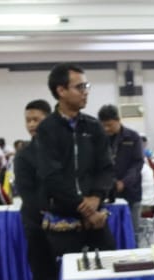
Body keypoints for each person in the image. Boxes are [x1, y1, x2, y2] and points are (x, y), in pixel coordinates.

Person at [34, 62, 116, 255]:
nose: (85, 92)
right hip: (64, 221)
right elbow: (52, 175)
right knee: (68, 277)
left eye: (86, 86)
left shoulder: (93, 127)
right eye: (80, 87)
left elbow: (106, 168)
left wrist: (96, 198)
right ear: (61, 90)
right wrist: (85, 209)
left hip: (96, 219)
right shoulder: (47, 129)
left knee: (107, 272)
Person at [12, 99, 57, 280]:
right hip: (36, 222)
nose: (31, 124)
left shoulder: (61, 149)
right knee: (41, 275)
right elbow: (26, 191)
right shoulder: (24, 155)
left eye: (36, 119)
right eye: (28, 120)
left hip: (66, 224)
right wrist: (49, 209)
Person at [99, 104, 145, 248]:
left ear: (118, 120)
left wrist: (124, 182)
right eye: (103, 126)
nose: (106, 129)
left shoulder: (133, 137)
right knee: (110, 233)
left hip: (131, 192)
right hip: (106, 193)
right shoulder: (100, 138)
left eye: (110, 125)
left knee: (132, 231)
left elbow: (137, 164)